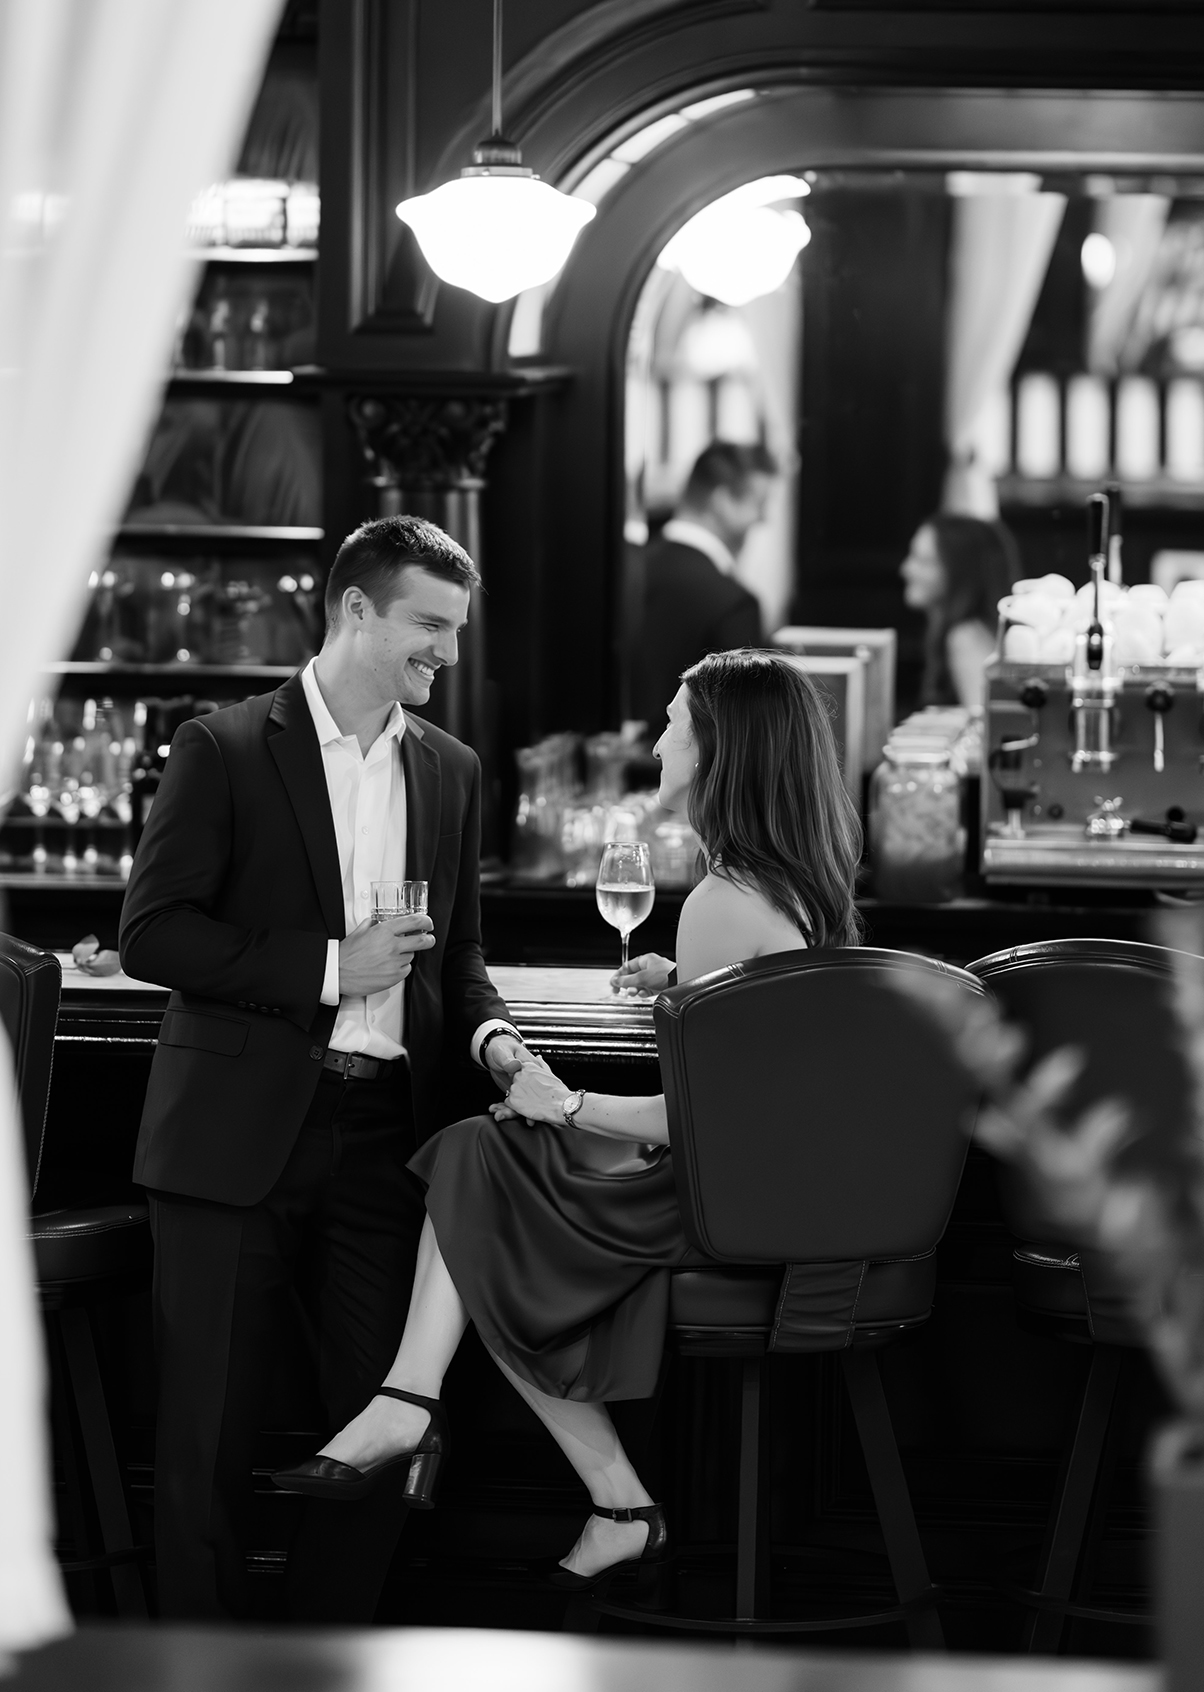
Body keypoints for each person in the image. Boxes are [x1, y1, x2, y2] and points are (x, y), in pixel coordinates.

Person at [273, 652, 861, 1587]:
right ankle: (456, 1424)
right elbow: (771, 1062)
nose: (658, 741)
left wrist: (569, 1101)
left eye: (675, 723)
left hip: (737, 1211)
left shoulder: (722, 898)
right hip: (794, 1197)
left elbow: (705, 1123)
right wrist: (684, 987)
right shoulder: (785, 881)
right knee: (485, 1159)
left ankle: (440, 1417)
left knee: (485, 1172)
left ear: (722, 750)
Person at [120, 515, 532, 1621]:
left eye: (453, 629)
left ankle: (324, 1670)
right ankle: (193, 1686)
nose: (445, 652)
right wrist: (325, 967)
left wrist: (494, 1041)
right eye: (427, 625)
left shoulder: (449, 769)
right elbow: (151, 934)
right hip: (231, 1136)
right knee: (202, 1439)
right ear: (356, 610)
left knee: (382, 1430)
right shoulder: (223, 746)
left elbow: (464, 957)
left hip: (382, 1142)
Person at [630, 440, 774, 746]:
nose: (764, 519)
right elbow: (742, 741)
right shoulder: (733, 603)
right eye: (759, 504)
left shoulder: (629, 571)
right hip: (694, 785)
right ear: (722, 501)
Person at [900, 512, 1020, 714]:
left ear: (960, 571)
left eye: (925, 562)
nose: (906, 569)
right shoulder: (959, 632)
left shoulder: (966, 637)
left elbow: (983, 724)